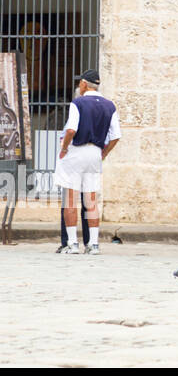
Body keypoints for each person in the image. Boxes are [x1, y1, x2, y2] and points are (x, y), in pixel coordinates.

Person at [53, 70, 121, 255]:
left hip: (76, 151)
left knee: (70, 199)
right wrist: (103, 153)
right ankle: (93, 243)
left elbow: (71, 130)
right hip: (95, 152)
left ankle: (72, 243)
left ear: (84, 84)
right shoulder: (109, 106)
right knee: (91, 200)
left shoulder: (78, 103)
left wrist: (65, 148)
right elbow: (116, 136)